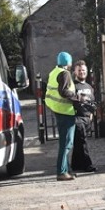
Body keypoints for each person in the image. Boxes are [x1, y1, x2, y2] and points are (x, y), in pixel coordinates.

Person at [44, 51, 78, 181]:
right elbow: (63, 91)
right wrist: (76, 97)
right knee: (66, 143)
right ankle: (62, 171)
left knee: (65, 142)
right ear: (68, 62)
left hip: (57, 109)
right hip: (65, 111)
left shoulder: (54, 72)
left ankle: (66, 169)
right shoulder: (65, 73)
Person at [71, 60, 97, 173]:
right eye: (79, 70)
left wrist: (91, 114)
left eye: (83, 70)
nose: (82, 72)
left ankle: (76, 165)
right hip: (77, 118)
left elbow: (92, 102)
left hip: (87, 118)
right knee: (82, 141)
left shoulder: (89, 87)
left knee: (78, 142)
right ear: (75, 72)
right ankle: (88, 164)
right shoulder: (72, 86)